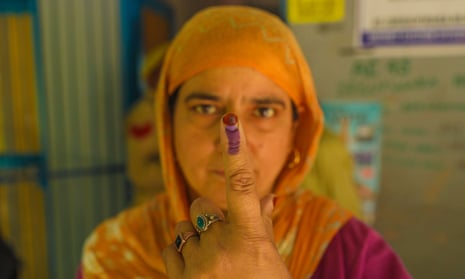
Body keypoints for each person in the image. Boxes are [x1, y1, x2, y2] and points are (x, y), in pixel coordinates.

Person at [81, 5, 411, 278]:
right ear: (169, 126)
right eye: (205, 108)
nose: (231, 144)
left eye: (264, 111)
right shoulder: (115, 253)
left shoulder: (347, 250)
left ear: (296, 132)